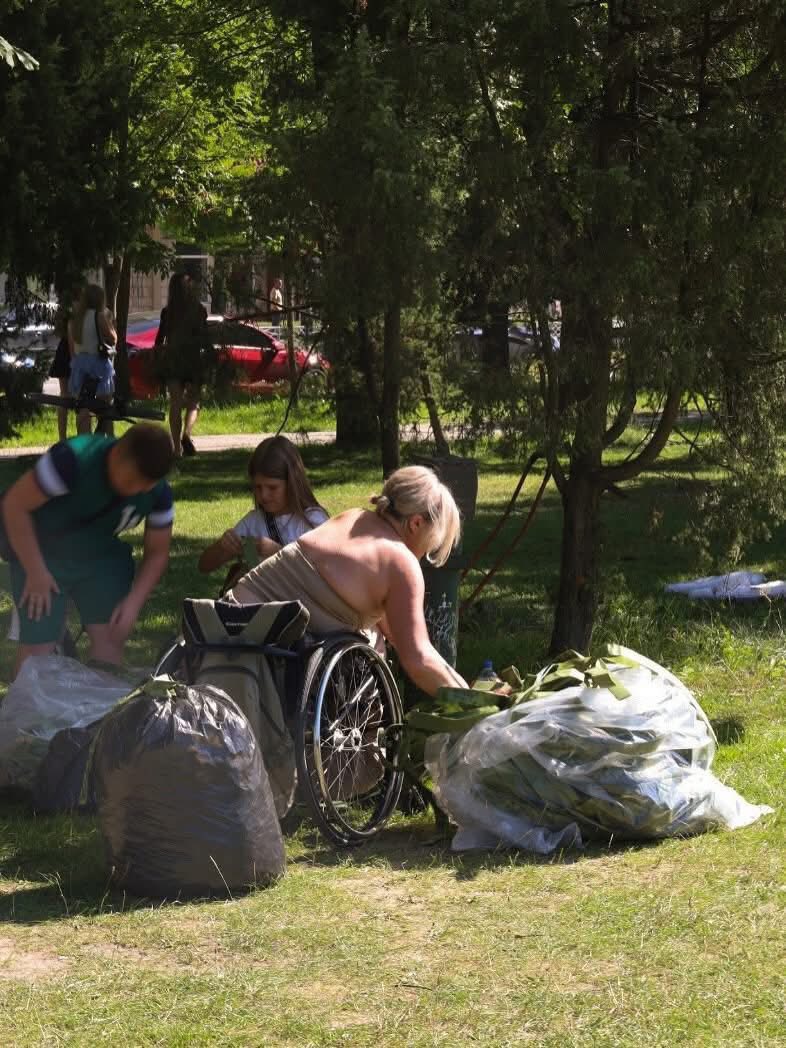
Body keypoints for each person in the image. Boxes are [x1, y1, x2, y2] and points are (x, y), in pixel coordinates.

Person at [226, 465, 469, 697]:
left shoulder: (353, 517)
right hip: (264, 650)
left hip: (226, 622)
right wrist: (475, 702)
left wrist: (459, 682)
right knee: (372, 650)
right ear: (416, 523)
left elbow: (394, 630)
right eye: (433, 540)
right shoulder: (401, 563)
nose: (427, 551)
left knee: (373, 636)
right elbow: (419, 660)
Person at [2, 423, 175, 677]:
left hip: (102, 558)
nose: (140, 490)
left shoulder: (157, 492)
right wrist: (36, 571)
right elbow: (15, 506)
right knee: (37, 650)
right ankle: (23, 715)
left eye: (147, 486)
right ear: (117, 454)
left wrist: (134, 602)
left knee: (109, 639)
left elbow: (158, 552)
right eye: (133, 481)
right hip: (44, 552)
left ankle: (101, 714)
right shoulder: (72, 460)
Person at [199, 436, 328, 582]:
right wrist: (222, 547)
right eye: (258, 487)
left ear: (292, 483)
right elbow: (204, 565)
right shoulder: (254, 521)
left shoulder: (314, 521)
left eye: (272, 487)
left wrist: (277, 552)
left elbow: (325, 574)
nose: (264, 495)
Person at [154, 272, 208, 457]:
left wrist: (158, 358)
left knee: (175, 403)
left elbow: (160, 340)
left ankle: (176, 448)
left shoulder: (167, 312)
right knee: (194, 402)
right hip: (193, 360)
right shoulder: (199, 310)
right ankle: (187, 434)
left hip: (173, 361)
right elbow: (204, 338)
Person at [68, 284, 117, 436]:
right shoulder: (99, 316)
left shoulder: (75, 319)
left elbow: (72, 349)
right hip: (98, 364)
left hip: (79, 365)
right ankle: (107, 442)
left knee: (83, 408)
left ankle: (84, 443)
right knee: (105, 408)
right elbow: (113, 339)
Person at [48, 283, 83, 442]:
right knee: (79, 396)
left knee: (64, 395)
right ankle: (80, 434)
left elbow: (58, 331)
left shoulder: (63, 309)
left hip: (63, 351)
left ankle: (62, 437)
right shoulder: (80, 309)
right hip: (77, 350)